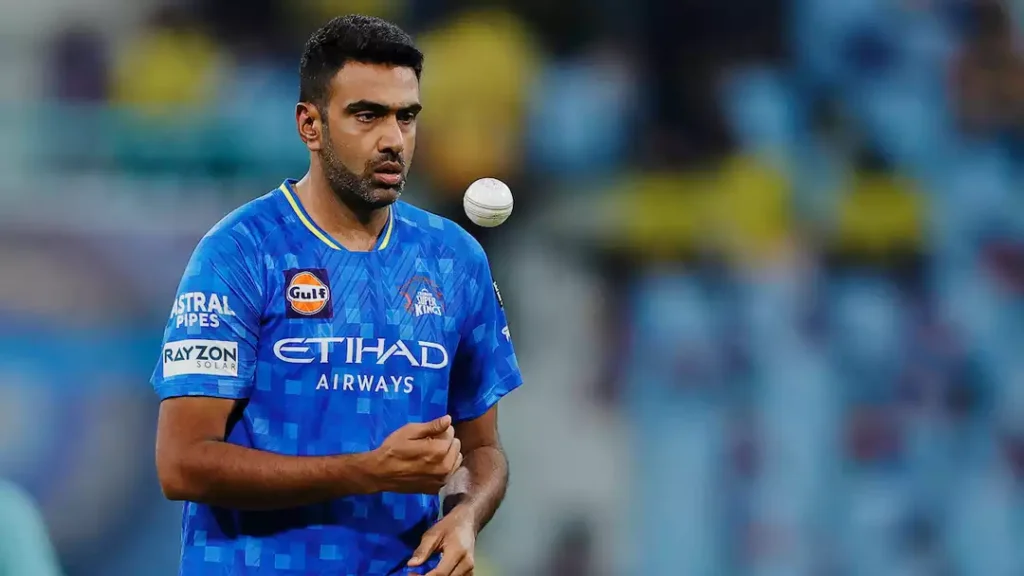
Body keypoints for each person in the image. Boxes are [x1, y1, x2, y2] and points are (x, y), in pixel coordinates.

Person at [150, 14, 523, 576]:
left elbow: (482, 451)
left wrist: (466, 514)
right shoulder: (241, 253)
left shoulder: (453, 259)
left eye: (407, 117)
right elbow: (182, 465)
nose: (393, 139)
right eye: (367, 115)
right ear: (310, 125)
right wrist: (367, 471)